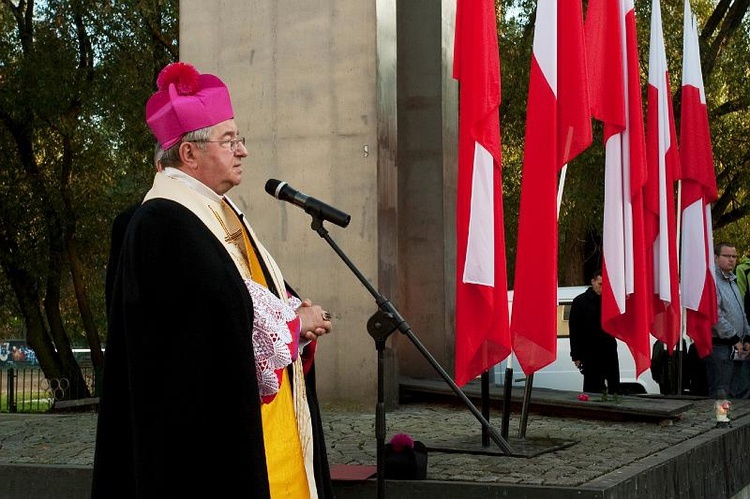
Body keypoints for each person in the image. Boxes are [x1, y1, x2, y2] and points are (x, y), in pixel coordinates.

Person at [92, 62, 334, 498]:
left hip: (259, 421)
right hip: (199, 445)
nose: (242, 150)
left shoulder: (220, 213)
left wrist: (295, 312)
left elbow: (250, 293)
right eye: (229, 140)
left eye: (239, 139)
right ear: (189, 153)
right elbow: (207, 324)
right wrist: (292, 325)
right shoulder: (160, 222)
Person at [707, 242, 750, 399]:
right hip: (721, 347)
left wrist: (747, 337)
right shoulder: (713, 282)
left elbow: (741, 312)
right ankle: (719, 423)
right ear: (716, 258)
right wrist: (733, 338)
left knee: (736, 394)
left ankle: (731, 423)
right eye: (727, 256)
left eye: (734, 256)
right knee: (721, 393)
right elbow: (715, 315)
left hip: (738, 348)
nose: (731, 260)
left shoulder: (733, 281)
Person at [568, 269, 621, 395]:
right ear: (593, 282)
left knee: (614, 387)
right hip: (589, 352)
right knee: (592, 389)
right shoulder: (580, 302)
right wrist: (576, 355)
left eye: (605, 285)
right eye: (600, 284)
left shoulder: (611, 300)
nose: (602, 288)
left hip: (609, 350)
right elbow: (574, 330)